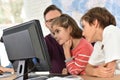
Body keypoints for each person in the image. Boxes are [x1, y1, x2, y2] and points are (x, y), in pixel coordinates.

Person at [80, 7, 120, 78]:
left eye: (84, 26)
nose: (83, 33)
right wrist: (96, 72)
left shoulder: (110, 31)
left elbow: (109, 73)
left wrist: (98, 71)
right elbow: (87, 68)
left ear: (95, 23)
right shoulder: (99, 43)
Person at [43, 5, 66, 74]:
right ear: (46, 24)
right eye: (50, 21)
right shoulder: (46, 41)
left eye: (57, 19)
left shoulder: (79, 37)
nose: (54, 23)